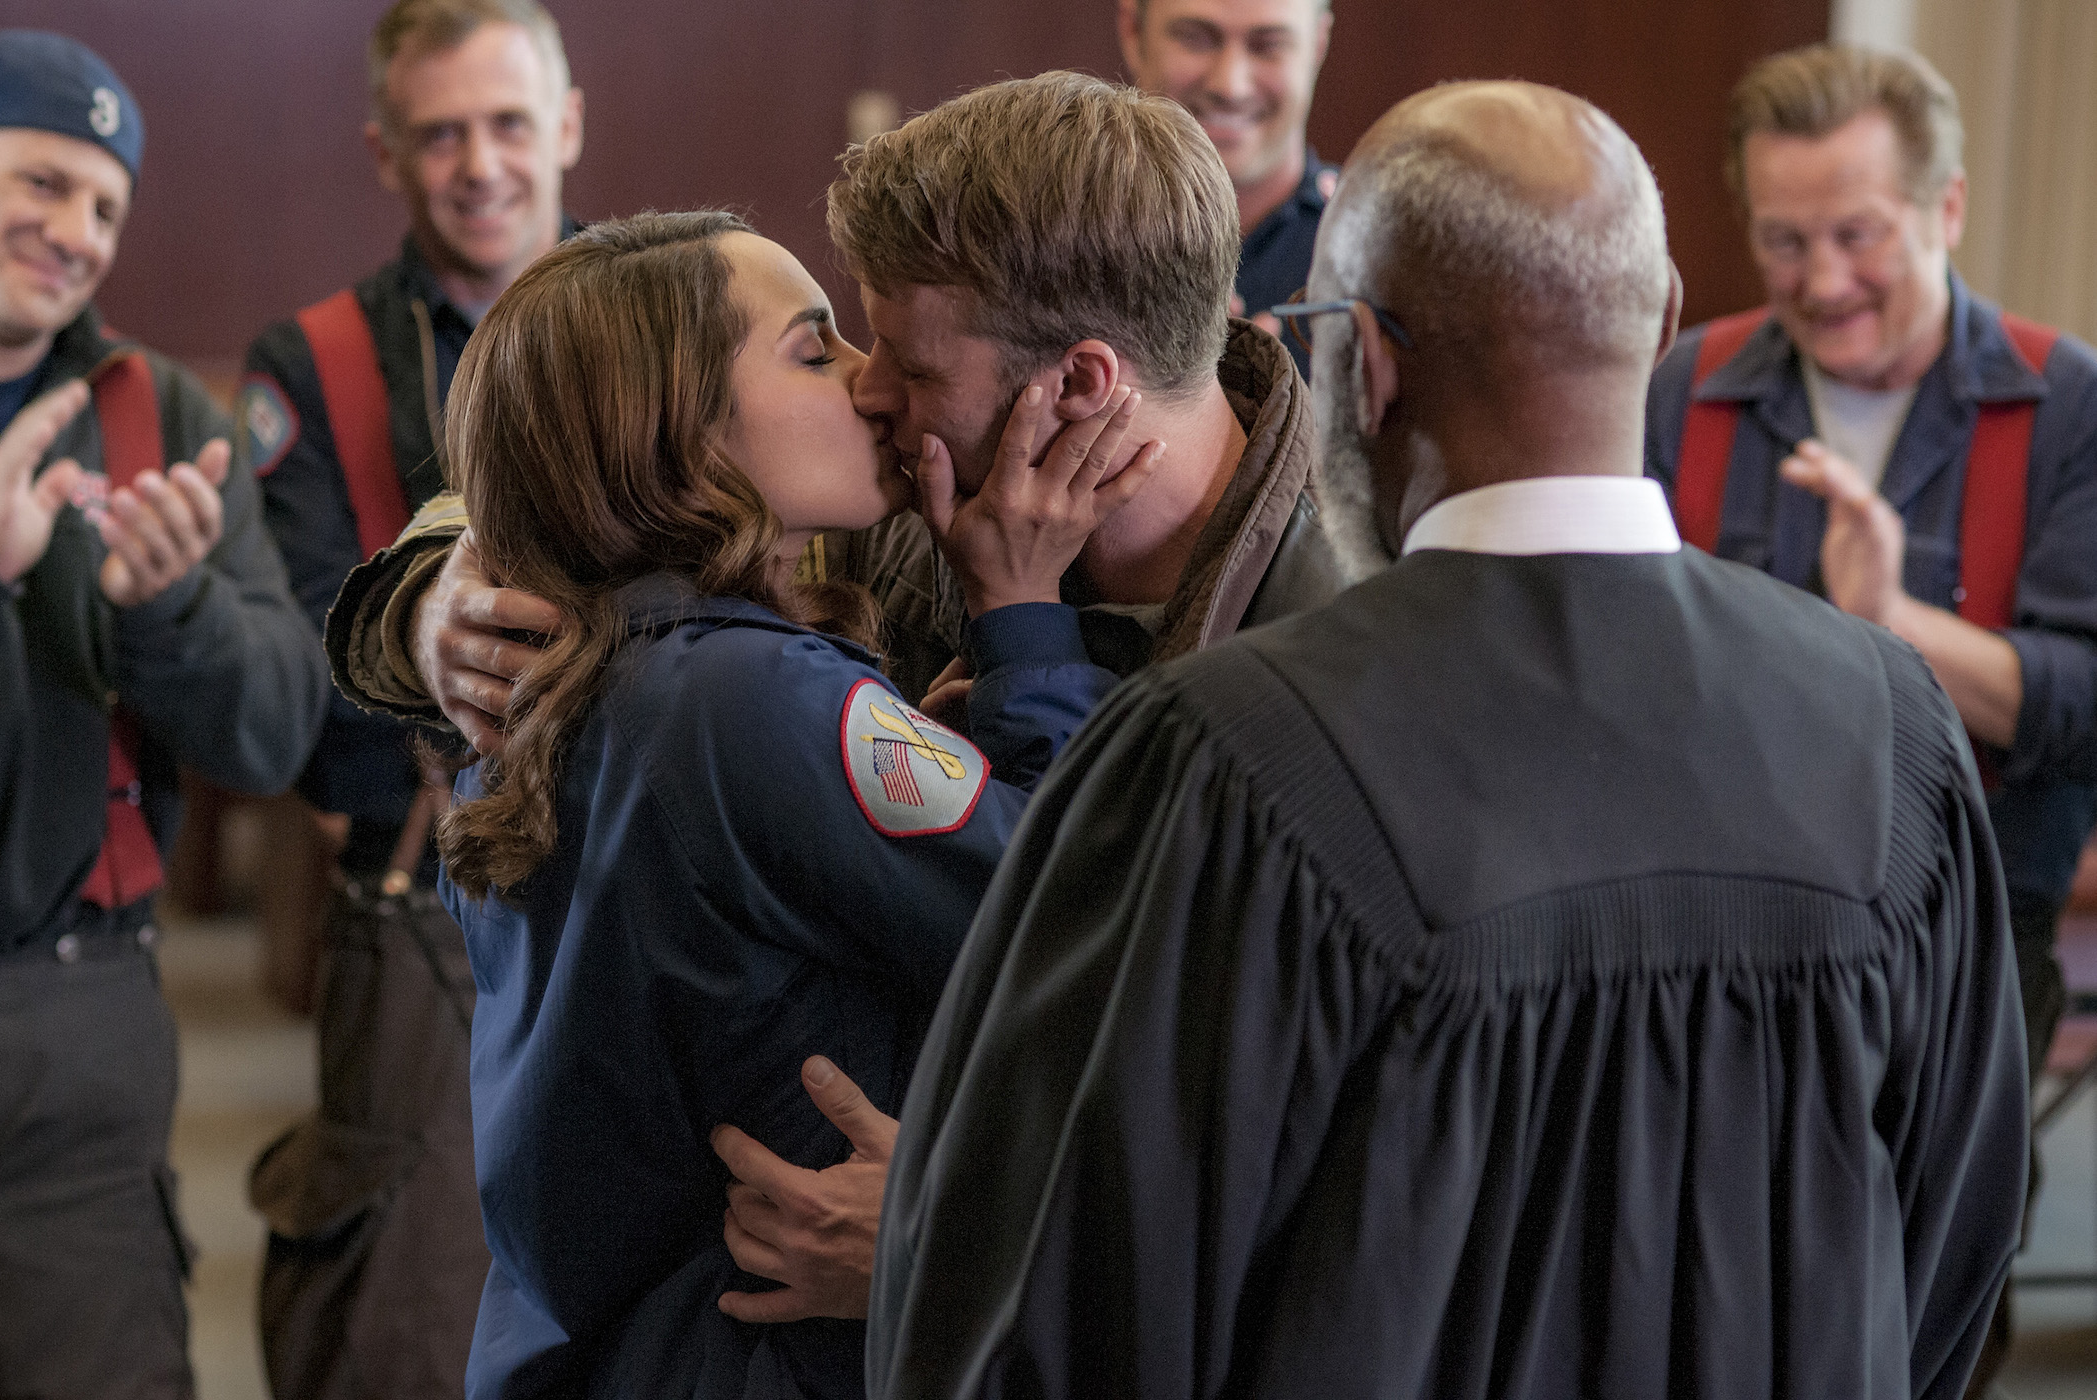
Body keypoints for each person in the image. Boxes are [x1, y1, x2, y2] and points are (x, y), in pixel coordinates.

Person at [867, 80, 2030, 1400]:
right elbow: (1948, 1258)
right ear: (1656, 325)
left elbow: (1070, 1308)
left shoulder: (1228, 757)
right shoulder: (1894, 737)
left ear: (1367, 356)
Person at [321, 69, 1348, 1323]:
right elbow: (574, 451)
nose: (870, 386)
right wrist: (422, 605)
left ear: (1076, 386)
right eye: (834, 346)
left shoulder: (1353, 646)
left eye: (900, 358)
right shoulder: (899, 501)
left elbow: (1311, 1118)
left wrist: (963, 1230)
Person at [436, 210, 1151, 1398]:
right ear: (675, 432)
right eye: (816, 352)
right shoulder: (740, 691)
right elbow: (1063, 920)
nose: (876, 387)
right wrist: (1025, 617)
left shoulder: (568, 677)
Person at [1642, 45, 2097, 1384]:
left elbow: (2082, 704)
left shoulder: (2063, 400)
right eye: (1785, 240)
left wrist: (1895, 624)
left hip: (1969, 924)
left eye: (1858, 235)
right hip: (1724, 920)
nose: (1822, 280)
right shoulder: (1691, 385)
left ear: (1946, 210)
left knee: (1933, 1286)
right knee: (1721, 1280)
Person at [235, 2, 582, 1390]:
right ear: (387, 152)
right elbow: (321, 658)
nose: (480, 163)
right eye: (441, 133)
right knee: (399, 1331)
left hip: (664, 885)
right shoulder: (307, 363)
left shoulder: (681, 322)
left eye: (508, 122)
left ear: (568, 124)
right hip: (427, 898)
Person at [0, 29, 329, 1397]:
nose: (76, 230)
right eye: (42, 182)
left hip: (76, 1032)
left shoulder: (161, 417)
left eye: (106, 206)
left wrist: (168, 609)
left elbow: (273, 730)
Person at [1118, 0, 1336, 371]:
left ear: (1318, 44)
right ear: (1133, 31)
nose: (1230, 86)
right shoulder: (1039, 242)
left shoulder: (1383, 261)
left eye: (1267, 45)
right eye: (1195, 39)